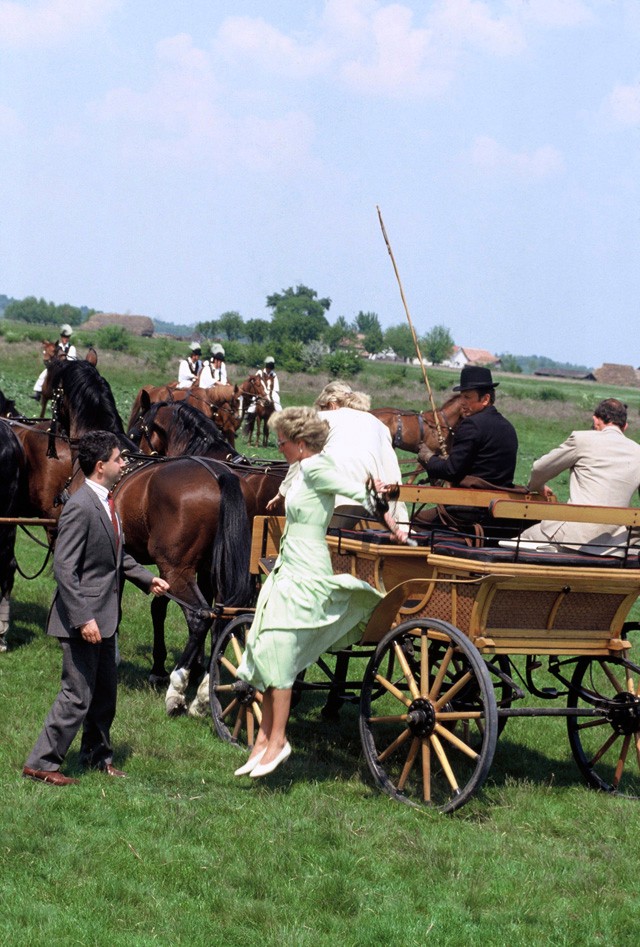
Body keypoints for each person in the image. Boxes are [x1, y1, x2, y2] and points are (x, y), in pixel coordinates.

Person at [233, 406, 406, 779]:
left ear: (299, 443)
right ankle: (263, 739)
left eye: (281, 442)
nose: (278, 447)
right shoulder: (301, 471)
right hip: (288, 565)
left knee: (281, 650)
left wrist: (389, 520)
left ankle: (279, 740)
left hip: (307, 569)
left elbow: (357, 492)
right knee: (266, 644)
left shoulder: (316, 468)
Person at [22, 431, 169, 786]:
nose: (125, 464)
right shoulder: (80, 506)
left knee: (104, 695)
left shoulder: (106, 501)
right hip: (82, 621)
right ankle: (40, 763)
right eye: (120, 459)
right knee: (77, 695)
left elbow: (117, 556)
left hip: (105, 618)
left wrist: (147, 578)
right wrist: (83, 618)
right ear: (101, 466)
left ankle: (96, 757)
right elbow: (64, 569)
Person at [266, 381, 409, 536]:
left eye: (321, 407)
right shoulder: (378, 424)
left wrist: (282, 493)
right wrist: (401, 522)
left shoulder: (323, 417)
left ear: (331, 405)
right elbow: (392, 471)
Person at [515, 398, 640, 555]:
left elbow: (540, 468)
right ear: (625, 426)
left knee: (520, 540)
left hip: (572, 537)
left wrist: (536, 486)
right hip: (614, 545)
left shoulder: (582, 439)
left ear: (595, 420)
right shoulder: (638, 451)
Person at [31, 324, 77, 402]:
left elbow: (71, 362)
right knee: (43, 374)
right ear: (61, 337)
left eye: (67, 337)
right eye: (64, 337)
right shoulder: (57, 346)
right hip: (56, 367)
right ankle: (38, 392)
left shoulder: (72, 348)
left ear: (69, 338)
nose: (65, 339)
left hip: (66, 369)